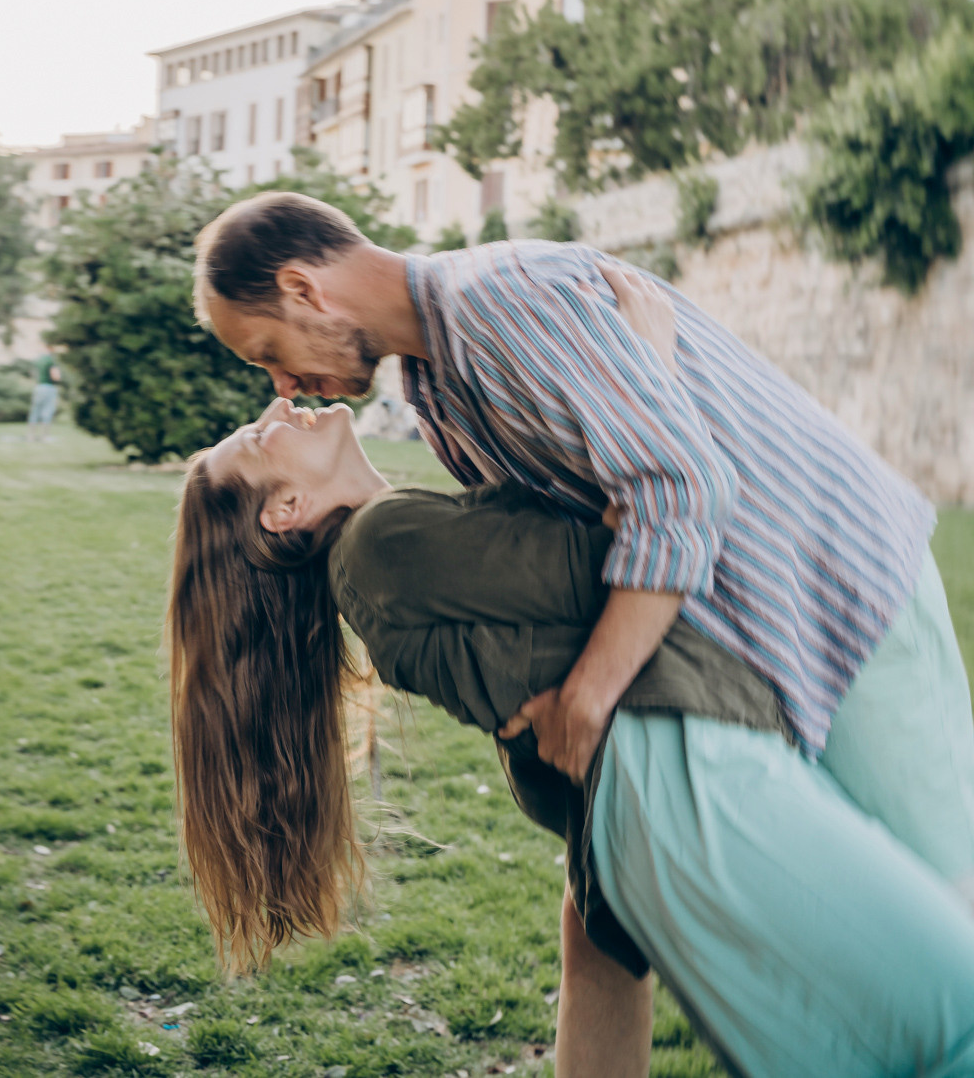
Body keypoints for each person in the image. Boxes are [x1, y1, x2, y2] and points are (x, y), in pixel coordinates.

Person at [167, 378, 974, 1078]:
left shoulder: (385, 549)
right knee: (943, 1016)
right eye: (258, 439)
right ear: (287, 510)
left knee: (633, 968)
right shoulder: (381, 544)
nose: (278, 407)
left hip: (630, 795)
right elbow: (623, 558)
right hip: (675, 779)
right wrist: (645, 396)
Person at [26, 350, 61, 441]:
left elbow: (32, 373)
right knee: (47, 412)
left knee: (35, 411)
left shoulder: (38, 360)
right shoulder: (50, 360)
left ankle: (31, 435)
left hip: (38, 387)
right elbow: (56, 376)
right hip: (49, 387)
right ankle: (44, 436)